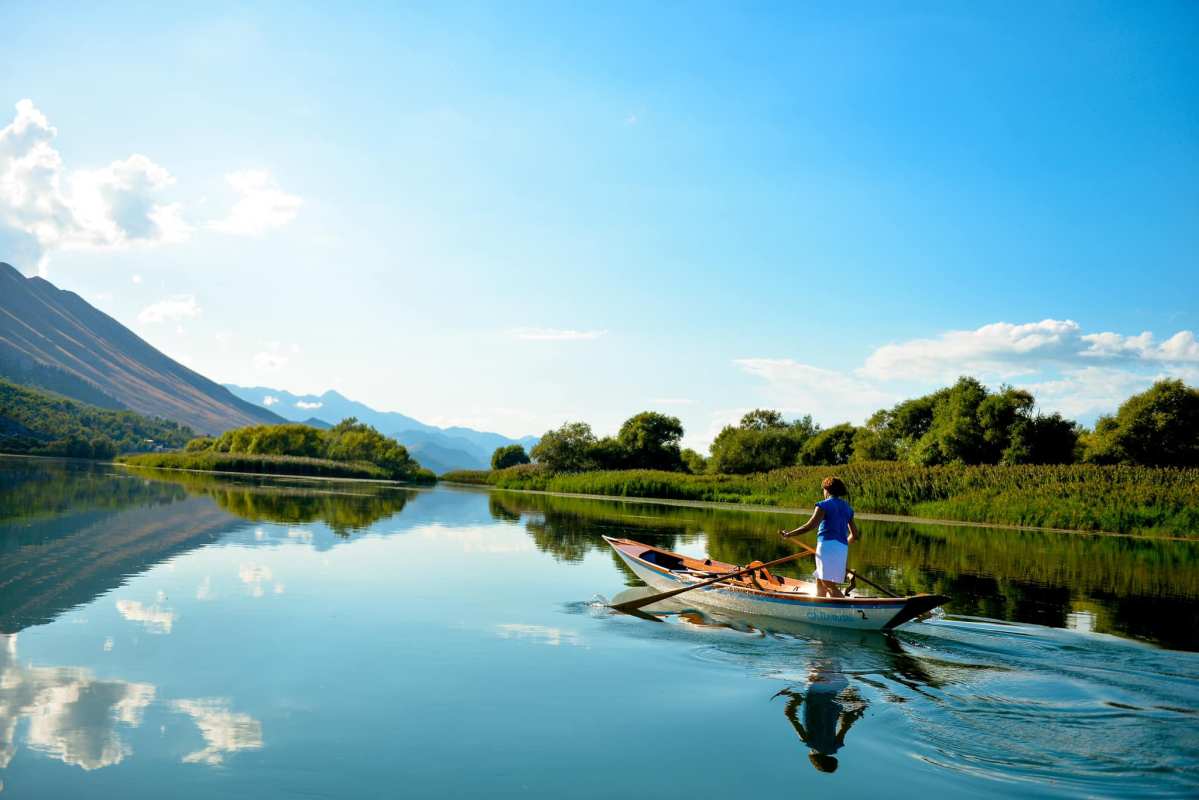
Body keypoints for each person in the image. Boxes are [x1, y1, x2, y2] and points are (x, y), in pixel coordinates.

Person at [780, 476, 859, 597]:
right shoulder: (847, 508)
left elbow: (809, 526)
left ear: (826, 489)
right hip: (842, 548)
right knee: (819, 581)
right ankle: (819, 608)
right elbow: (854, 535)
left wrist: (789, 534)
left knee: (827, 584)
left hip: (826, 546)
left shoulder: (823, 505)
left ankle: (846, 609)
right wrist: (840, 544)